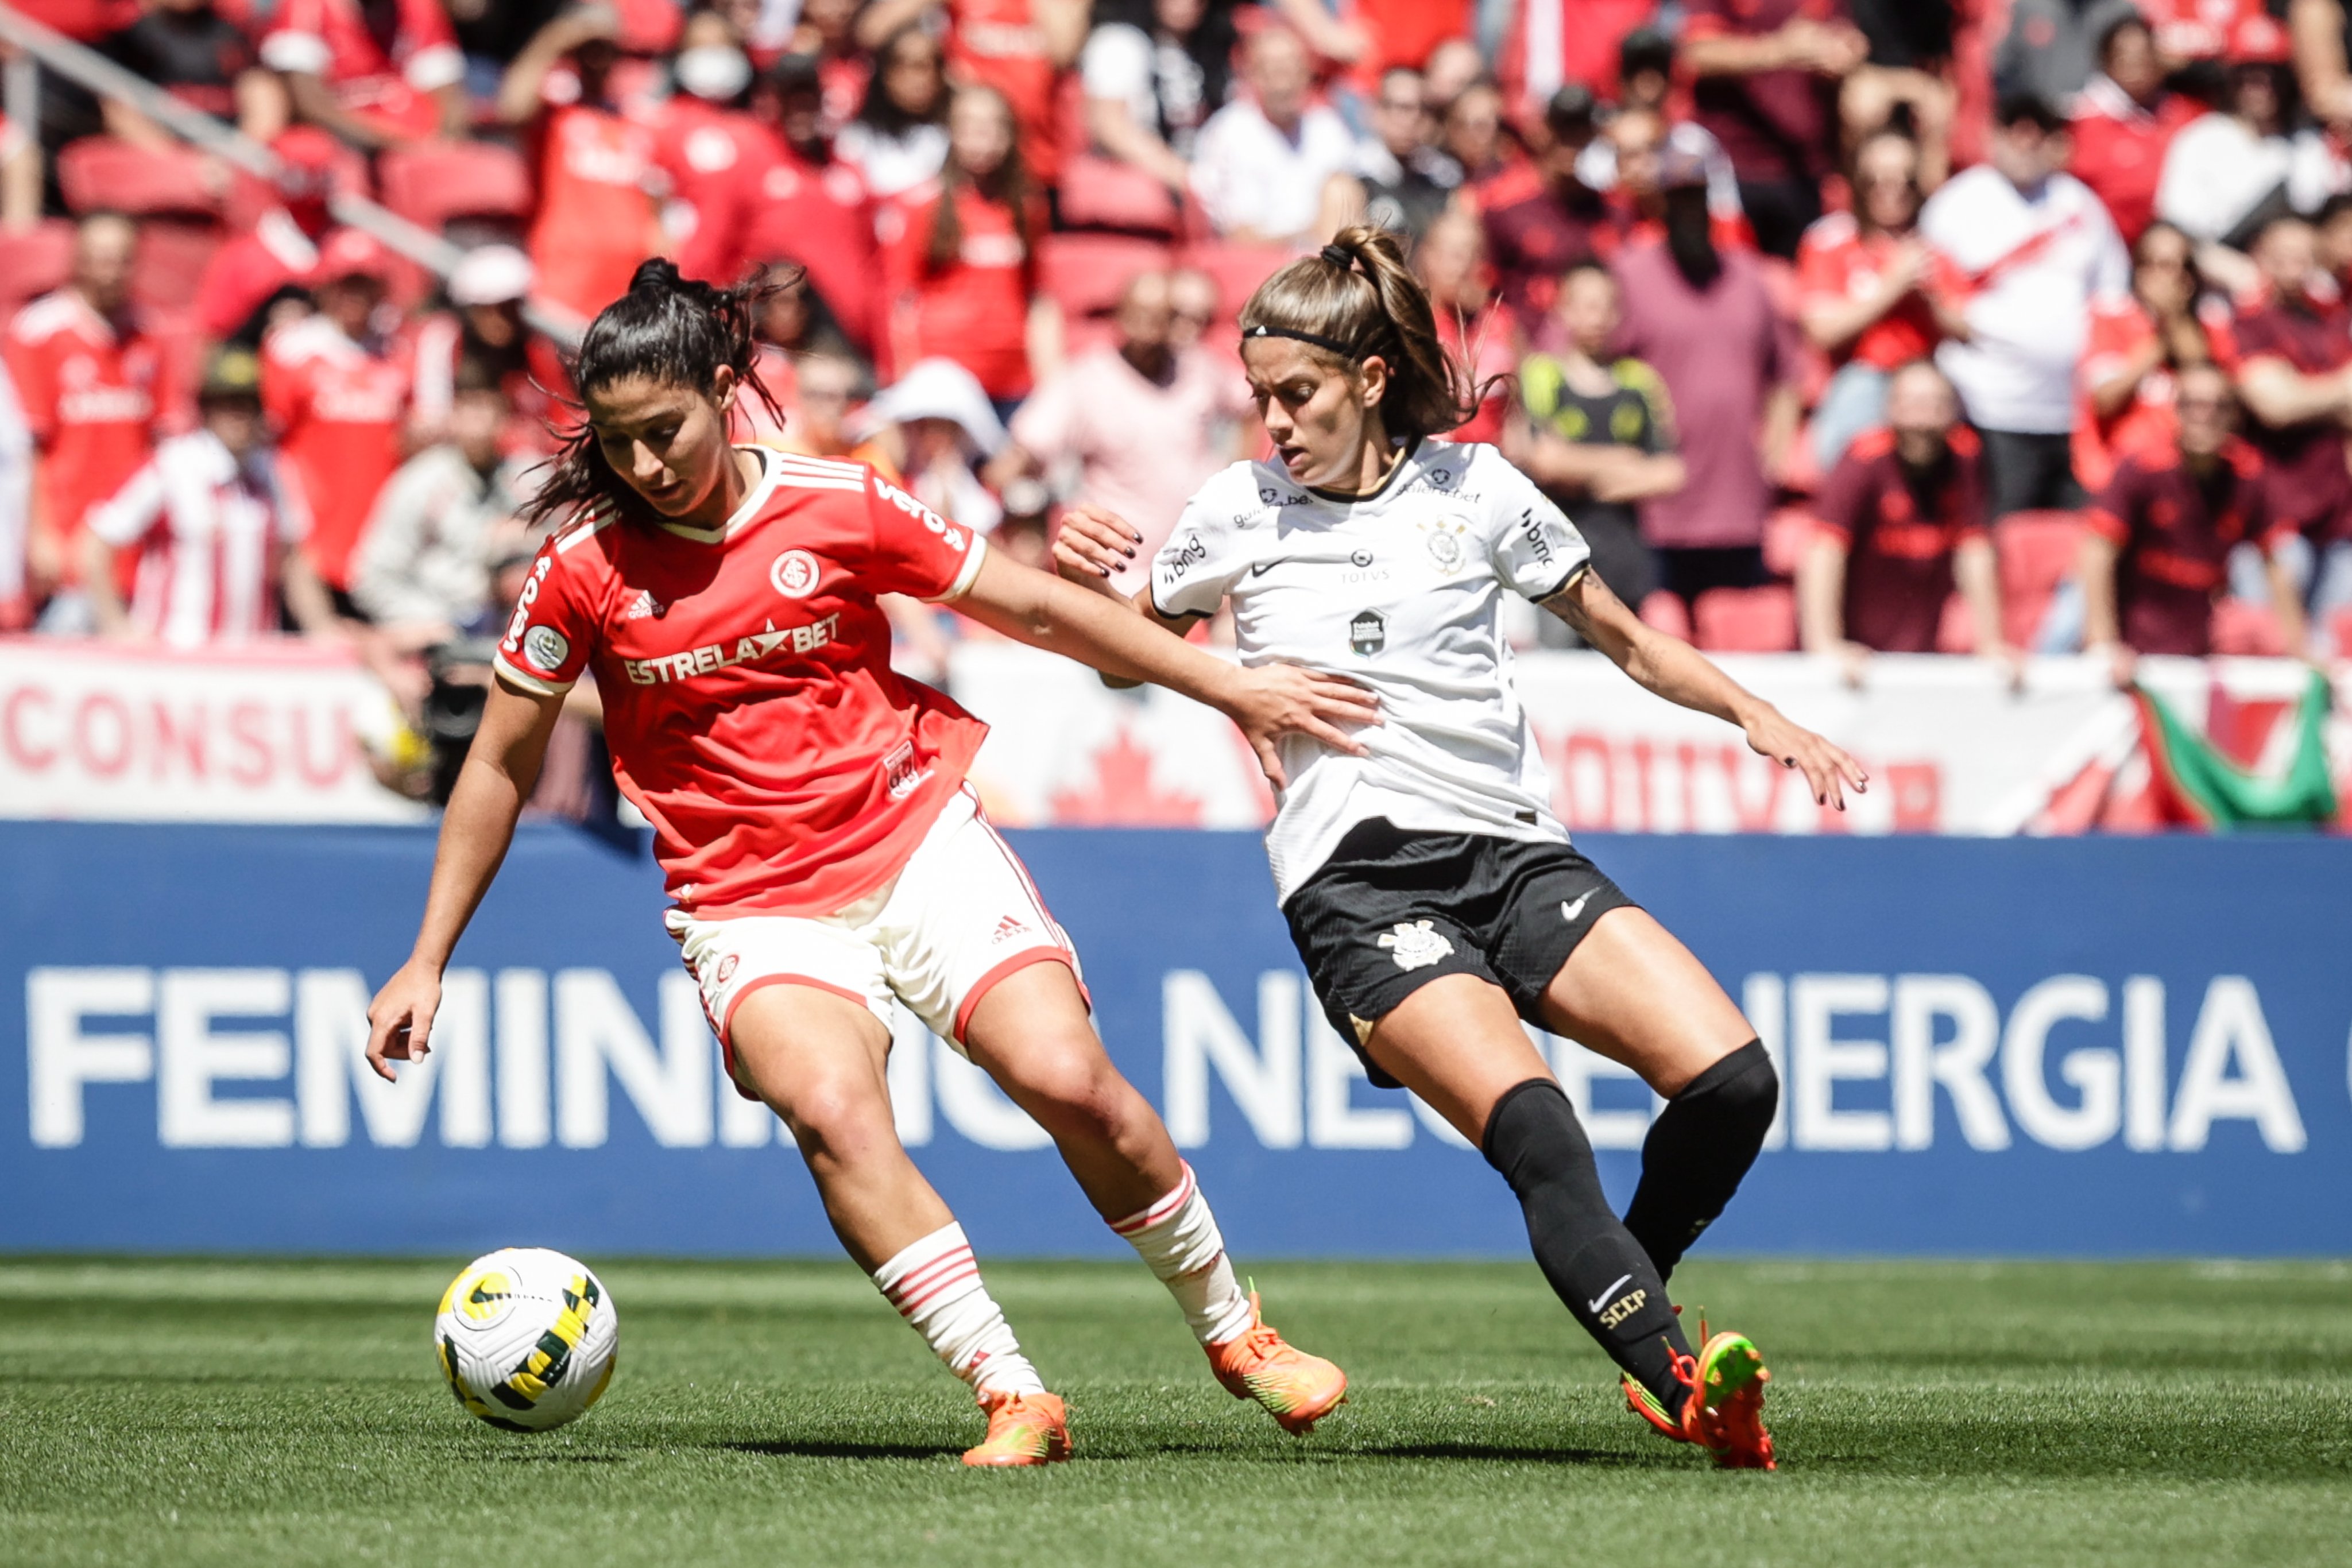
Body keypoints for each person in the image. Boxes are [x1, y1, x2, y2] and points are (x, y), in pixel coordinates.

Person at [362, 260, 1372, 1468]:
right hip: (746, 901)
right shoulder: (583, 568)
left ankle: (1235, 1333)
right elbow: (497, 764)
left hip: (912, 839)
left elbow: (1038, 611)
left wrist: (1225, 682)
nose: (642, 466)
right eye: (619, 443)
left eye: (665, 432)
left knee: (1067, 1078)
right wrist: (427, 956)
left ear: (727, 390)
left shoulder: (842, 501)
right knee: (834, 1112)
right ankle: (1012, 1393)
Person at [1054, 227, 1867, 1472]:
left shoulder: (1475, 490)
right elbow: (1122, 652)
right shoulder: (1234, 510)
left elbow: (1624, 638)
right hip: (1357, 877)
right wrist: (1143, 620)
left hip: (1512, 852)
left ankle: (1633, 1296)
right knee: (1540, 1135)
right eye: (1259, 395)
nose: (1270, 421)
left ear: (1372, 379)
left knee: (1732, 1083)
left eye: (1298, 394)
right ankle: (1681, 1381)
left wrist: (1760, 713)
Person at [1921, 92, 2130, 520]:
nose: (2026, 139)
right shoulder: (1957, 203)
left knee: (2077, 544)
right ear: (1992, 134)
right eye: (2014, 126)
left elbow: (2112, 296)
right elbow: (1935, 298)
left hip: (2071, 413)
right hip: (1990, 407)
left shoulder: (2082, 205)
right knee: (2004, 537)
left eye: (2039, 129)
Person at [1615, 149, 1805, 610]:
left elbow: (1787, 374)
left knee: (1739, 650)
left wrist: (1775, 453)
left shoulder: (1750, 275)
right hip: (1658, 507)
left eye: (1697, 199)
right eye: (1677, 200)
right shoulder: (1630, 275)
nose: (1688, 212)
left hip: (1739, 502)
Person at [82, 347, 339, 648]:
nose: (236, 416)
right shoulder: (171, 465)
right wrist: (116, 625)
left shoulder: (275, 471)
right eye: (225, 404)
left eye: (246, 404)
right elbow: (94, 545)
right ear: (205, 410)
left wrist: (323, 628)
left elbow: (293, 561)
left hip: (251, 659)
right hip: (177, 656)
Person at [999, 270, 1247, 568]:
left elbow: (1252, 406)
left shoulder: (1200, 368)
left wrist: (1239, 473)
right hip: (1120, 569)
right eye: (1140, 313)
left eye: (1160, 315)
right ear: (1120, 315)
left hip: (1202, 559)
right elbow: (1024, 451)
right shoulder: (1086, 379)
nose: (1149, 326)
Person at [1797, 359, 2014, 679]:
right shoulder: (1863, 459)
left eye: (1936, 405)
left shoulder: (1964, 458)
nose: (1923, 420)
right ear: (1890, 408)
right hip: (1858, 657)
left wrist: (1991, 643)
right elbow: (1825, 550)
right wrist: (1826, 644)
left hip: (1919, 656)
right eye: (1913, 404)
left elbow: (1975, 551)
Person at [4, 211, 159, 632]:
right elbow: (28, 446)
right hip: (66, 539)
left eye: (122, 260)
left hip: (130, 546)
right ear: (78, 260)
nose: (111, 272)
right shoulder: (40, 332)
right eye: (100, 259)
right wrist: (41, 534)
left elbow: (155, 443)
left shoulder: (147, 333)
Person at [1508, 261, 1684, 630]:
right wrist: (1626, 459)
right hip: (1554, 564)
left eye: (1607, 306)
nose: (1598, 317)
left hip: (1626, 561)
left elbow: (1670, 473)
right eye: (1588, 305)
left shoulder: (1639, 381)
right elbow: (1545, 460)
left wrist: (1582, 474)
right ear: (1564, 310)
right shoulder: (1542, 375)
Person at [2080, 361, 2269, 671]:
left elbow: (2275, 562)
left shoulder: (2247, 476)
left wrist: (2300, 650)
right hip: (2130, 655)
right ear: (2175, 410)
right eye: (2194, 404)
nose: (2205, 416)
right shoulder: (2141, 469)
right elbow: (2095, 552)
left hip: (2193, 655)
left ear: (2235, 415)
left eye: (2219, 406)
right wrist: (2103, 644)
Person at [1797, 127, 1961, 471]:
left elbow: (1966, 327)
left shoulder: (1933, 246)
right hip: (1861, 378)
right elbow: (1822, 332)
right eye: (1878, 181)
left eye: (1905, 181)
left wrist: (1929, 300)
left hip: (1924, 380)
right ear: (1858, 182)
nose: (1892, 192)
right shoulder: (1831, 240)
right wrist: (1893, 287)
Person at [261, 228, 413, 598]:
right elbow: (269, 443)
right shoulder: (291, 349)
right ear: (326, 286)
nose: (355, 297)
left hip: (384, 541)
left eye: (365, 285)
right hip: (312, 538)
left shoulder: (400, 350)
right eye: (346, 283)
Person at [880, 84, 1047, 406]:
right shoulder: (921, 204)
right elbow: (899, 301)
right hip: (945, 378)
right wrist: (906, 382)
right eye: (971, 126)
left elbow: (1037, 299)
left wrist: (1048, 382)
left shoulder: (1027, 206)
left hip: (1013, 380)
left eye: (995, 126)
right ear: (952, 132)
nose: (983, 138)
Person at [350, 363, 538, 648]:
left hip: (518, 635)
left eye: (488, 407)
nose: (479, 420)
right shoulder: (421, 482)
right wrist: (429, 621)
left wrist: (525, 543)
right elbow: (371, 578)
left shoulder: (531, 478)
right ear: (453, 413)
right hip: (439, 635)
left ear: (505, 414)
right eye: (469, 407)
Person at [500, 6, 665, 326]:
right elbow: (511, 107)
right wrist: (558, 40)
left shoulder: (638, 123)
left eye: (607, 50)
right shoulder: (555, 115)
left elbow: (658, 209)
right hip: (565, 274)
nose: (597, 59)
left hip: (628, 281)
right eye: (589, 49)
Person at [2231, 215, 2352, 649]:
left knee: (2333, 652)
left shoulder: (2332, 323)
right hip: (2273, 517)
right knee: (2275, 648)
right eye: (2282, 255)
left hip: (2338, 517)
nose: (2293, 266)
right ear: (2261, 258)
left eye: (2303, 256)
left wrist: (2306, 392)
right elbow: (2274, 405)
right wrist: (2340, 390)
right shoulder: (2249, 321)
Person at [1680, 0, 1869, 259]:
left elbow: (1845, 36)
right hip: (1736, 165)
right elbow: (1697, 53)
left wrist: (1844, 51)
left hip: (1808, 168)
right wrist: (1781, 50)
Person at [2074, 220, 2231, 495]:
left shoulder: (2209, 325)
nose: (2162, 277)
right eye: (2152, 264)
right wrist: (2159, 343)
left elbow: (2212, 383)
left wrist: (2174, 321)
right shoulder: (2112, 317)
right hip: (2120, 478)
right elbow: (2104, 399)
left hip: (2189, 478)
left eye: (2174, 266)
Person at [742, 54, 883, 354]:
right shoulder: (750, 163)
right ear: (774, 102)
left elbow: (874, 260)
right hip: (775, 339)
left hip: (848, 342)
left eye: (809, 98)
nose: (801, 110)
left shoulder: (850, 170)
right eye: (791, 99)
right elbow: (719, 248)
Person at [1187, 23, 1358, 246]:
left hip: (1324, 259)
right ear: (1252, 75)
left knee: (1341, 190)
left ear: (1308, 74)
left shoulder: (1329, 129)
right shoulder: (1228, 133)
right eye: (1273, 70)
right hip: (1260, 269)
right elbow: (1238, 238)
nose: (1284, 83)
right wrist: (1314, 236)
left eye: (1293, 69)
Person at [1476, 84, 1611, 331]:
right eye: (1563, 129)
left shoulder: (1608, 208)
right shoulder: (1505, 204)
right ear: (1544, 131)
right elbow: (1482, 289)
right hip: (1525, 349)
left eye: (1580, 130)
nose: (1571, 141)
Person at [2068, 13, 2199, 248]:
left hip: (2176, 252)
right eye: (2125, 57)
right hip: (2106, 248)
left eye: (2144, 56)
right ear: (2107, 62)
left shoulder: (2186, 114)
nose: (2135, 66)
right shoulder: (2081, 123)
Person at [261, 0, 466, 149]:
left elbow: (448, 99)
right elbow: (311, 105)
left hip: (422, 148)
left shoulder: (418, 6)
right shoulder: (306, 6)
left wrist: (444, 142)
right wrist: (398, 146)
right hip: (351, 149)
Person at [1081, 0, 1236, 193]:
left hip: (1205, 184)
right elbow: (1110, 127)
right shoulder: (1120, 43)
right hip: (1145, 189)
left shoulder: (1218, 50)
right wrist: (1186, 177)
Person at [1324, 65, 1458, 253]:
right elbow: (1341, 266)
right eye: (1403, 108)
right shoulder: (1353, 178)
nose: (1413, 118)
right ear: (1376, 112)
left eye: (1423, 109)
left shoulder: (1443, 177)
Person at [835, 22, 953, 202]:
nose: (926, 78)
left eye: (935, 66)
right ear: (887, 74)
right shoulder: (855, 141)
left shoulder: (953, 137)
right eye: (916, 66)